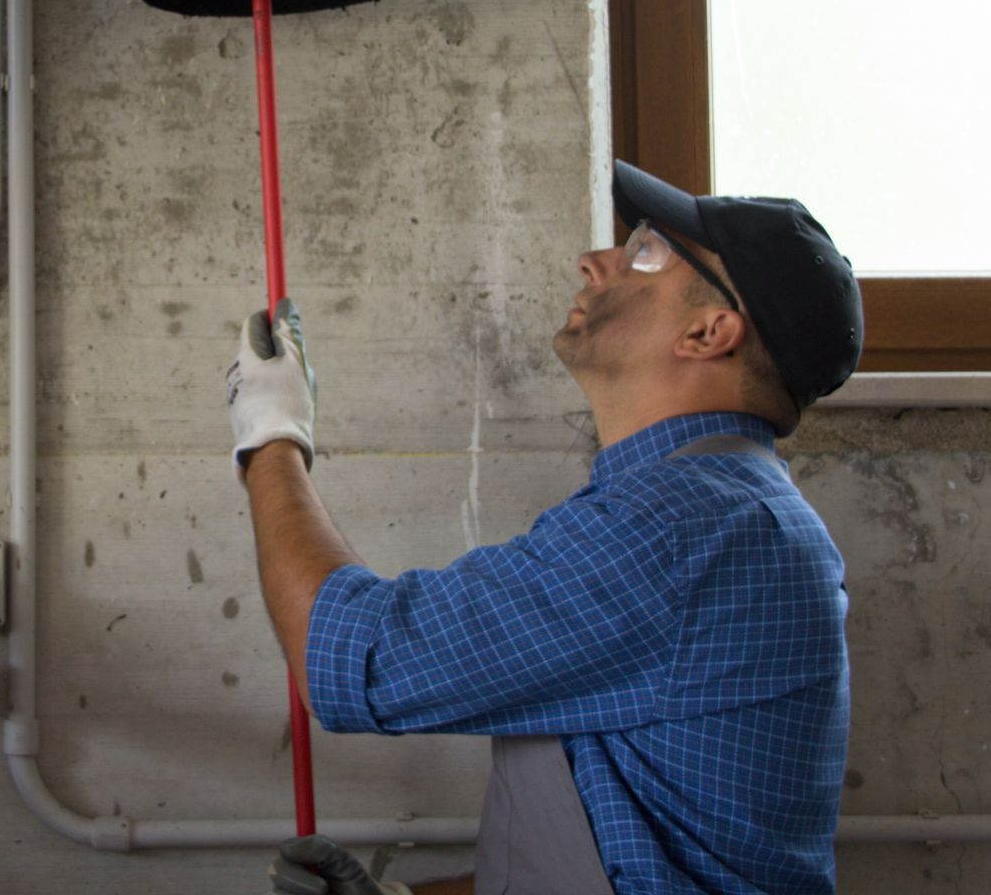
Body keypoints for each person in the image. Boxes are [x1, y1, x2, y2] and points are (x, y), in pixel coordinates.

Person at [227, 161, 863, 895]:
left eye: (646, 253)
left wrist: (269, 435)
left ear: (708, 331)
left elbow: (352, 659)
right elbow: (630, 839)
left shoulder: (684, 527)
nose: (596, 262)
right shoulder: (715, 509)